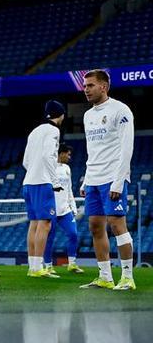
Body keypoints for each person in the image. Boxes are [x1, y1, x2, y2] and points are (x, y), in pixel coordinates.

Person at [78, 69, 136, 290]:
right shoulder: (87, 115)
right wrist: (86, 180)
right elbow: (92, 150)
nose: (86, 90)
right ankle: (105, 276)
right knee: (95, 226)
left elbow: (126, 147)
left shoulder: (120, 110)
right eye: (85, 86)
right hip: (93, 178)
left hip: (112, 177)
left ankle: (127, 277)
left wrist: (119, 181)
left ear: (103, 86)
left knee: (117, 225)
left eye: (90, 85)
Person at [21, 100, 65, 279]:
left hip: (28, 182)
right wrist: (54, 181)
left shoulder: (35, 131)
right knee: (45, 224)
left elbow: (25, 161)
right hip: (43, 182)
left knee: (34, 223)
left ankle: (33, 267)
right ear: (61, 115)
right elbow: (48, 156)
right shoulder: (54, 131)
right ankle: (38, 267)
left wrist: (34, 171)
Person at [43, 144, 84, 274]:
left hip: (65, 210)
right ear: (61, 154)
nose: (69, 157)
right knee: (49, 238)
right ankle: (48, 266)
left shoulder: (67, 168)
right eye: (68, 154)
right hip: (51, 209)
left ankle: (72, 264)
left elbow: (69, 189)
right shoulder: (49, 167)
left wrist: (73, 207)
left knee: (73, 234)